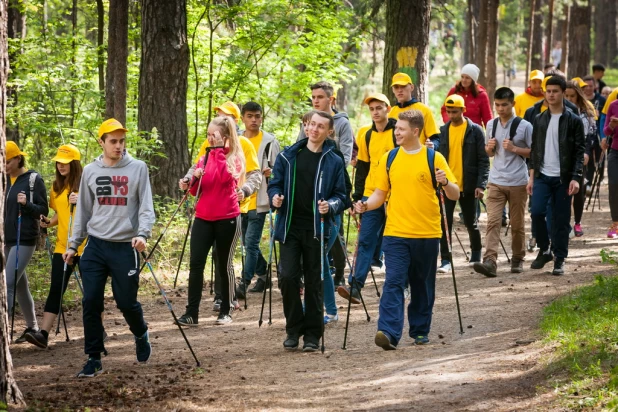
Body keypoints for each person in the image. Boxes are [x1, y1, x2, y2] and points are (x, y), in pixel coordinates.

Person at [354, 110, 459, 350]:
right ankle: (388, 332)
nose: (396, 132)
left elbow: (455, 193)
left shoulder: (434, 158)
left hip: (427, 233)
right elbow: (380, 194)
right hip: (395, 233)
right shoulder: (389, 158)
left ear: (415, 131)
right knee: (393, 282)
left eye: (401, 129)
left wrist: (445, 182)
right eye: (396, 128)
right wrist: (365, 205)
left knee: (422, 284)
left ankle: (420, 330)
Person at [64, 118, 156, 377]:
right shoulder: (91, 172)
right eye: (113, 141)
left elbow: (147, 208)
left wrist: (142, 234)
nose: (119, 146)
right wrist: (73, 245)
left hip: (125, 246)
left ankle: (141, 333)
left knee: (126, 302)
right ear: (101, 142)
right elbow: (82, 211)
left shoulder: (138, 168)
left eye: (122, 141)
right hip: (95, 245)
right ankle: (93, 357)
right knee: (91, 300)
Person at [268, 111, 347, 352]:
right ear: (305, 126)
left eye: (320, 126)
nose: (314, 129)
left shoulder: (333, 160)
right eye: (311, 124)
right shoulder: (288, 156)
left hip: (316, 228)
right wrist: (275, 197)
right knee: (288, 277)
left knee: (315, 281)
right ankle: (293, 328)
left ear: (328, 132)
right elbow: (274, 184)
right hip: (289, 227)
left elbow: (342, 196)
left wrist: (330, 205)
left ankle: (313, 334)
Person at [180, 102, 261, 311]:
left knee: (222, 257)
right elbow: (197, 166)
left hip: (234, 210)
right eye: (218, 114)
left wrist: (245, 191)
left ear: (233, 122)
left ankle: (225, 299)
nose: (220, 118)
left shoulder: (243, 145)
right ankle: (198, 308)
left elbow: (253, 174)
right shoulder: (207, 145)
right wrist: (189, 179)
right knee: (201, 261)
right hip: (206, 212)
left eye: (225, 116)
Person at [176, 117, 245, 326]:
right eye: (207, 135)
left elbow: (226, 178)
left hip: (228, 218)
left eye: (212, 135)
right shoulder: (204, 157)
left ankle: (226, 309)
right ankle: (191, 312)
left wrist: (219, 151)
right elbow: (196, 190)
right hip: (203, 218)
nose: (209, 139)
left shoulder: (234, 157)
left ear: (224, 137)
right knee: (196, 264)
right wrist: (189, 181)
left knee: (224, 265)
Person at [25, 144, 87, 348]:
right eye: (59, 162)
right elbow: (60, 214)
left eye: (65, 162)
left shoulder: (87, 183)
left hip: (87, 246)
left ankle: (98, 330)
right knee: (55, 289)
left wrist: (83, 200)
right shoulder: (56, 187)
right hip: (63, 247)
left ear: (74, 163)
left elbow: (98, 210)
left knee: (91, 291)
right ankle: (43, 334)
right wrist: (47, 223)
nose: (61, 166)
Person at [338, 93, 394, 303]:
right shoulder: (366, 135)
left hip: (395, 194)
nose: (375, 112)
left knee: (394, 241)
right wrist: (357, 197)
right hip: (371, 193)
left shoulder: (397, 132)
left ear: (387, 109)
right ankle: (355, 286)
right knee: (365, 240)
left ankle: (403, 283)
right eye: (372, 109)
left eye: (379, 108)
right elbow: (361, 168)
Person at [297, 81, 352, 292]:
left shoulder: (342, 124)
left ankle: (339, 270)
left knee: (334, 231)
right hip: (309, 184)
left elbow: (346, 156)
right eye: (313, 97)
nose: (315, 101)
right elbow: (300, 148)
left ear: (331, 100)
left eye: (319, 97)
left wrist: (328, 170)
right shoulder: (308, 121)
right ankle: (313, 273)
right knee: (311, 227)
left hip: (334, 183)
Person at [527, 77, 585, 276]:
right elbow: (535, 150)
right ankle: (545, 250)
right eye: (548, 91)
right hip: (542, 175)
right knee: (536, 212)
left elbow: (579, 151)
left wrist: (576, 178)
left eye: (555, 91)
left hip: (563, 178)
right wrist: (532, 177)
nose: (551, 94)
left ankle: (560, 258)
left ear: (562, 93)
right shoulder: (539, 119)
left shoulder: (573, 120)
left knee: (561, 219)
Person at [473, 87, 533, 277]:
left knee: (517, 224)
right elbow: (490, 152)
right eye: (497, 105)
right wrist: (489, 148)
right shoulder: (490, 124)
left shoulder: (525, 126)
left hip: (518, 181)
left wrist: (515, 148)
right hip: (496, 180)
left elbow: (534, 152)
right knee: (492, 221)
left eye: (504, 105)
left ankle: (517, 258)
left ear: (513, 104)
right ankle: (490, 261)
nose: (500, 109)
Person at [437, 95, 489, 272]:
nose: (451, 115)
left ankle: (476, 253)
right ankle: (446, 259)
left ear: (463, 110)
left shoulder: (475, 131)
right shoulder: (443, 131)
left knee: (470, 222)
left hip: (468, 184)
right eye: (449, 111)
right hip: (447, 185)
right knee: (445, 223)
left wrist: (481, 185)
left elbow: (483, 160)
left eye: (455, 111)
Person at [4, 141, 48, 345]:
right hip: (7, 238)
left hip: (25, 238)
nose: (5, 165)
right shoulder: (5, 180)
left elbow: (43, 209)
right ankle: (33, 327)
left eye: (8, 161)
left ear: (18, 158)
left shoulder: (33, 179)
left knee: (8, 284)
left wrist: (26, 204)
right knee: (20, 285)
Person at [234, 102, 280, 298]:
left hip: (260, 200)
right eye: (250, 116)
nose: (254, 120)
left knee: (251, 243)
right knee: (246, 242)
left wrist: (273, 172)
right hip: (239, 199)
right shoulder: (236, 140)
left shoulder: (270, 141)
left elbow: (280, 171)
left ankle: (243, 283)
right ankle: (263, 274)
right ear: (243, 118)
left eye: (258, 116)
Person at [565, 81, 596, 237]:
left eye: (572, 96)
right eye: (567, 96)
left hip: (580, 155)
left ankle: (577, 222)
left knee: (579, 190)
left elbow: (591, 135)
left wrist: (587, 153)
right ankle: (564, 222)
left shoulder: (586, 112)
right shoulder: (559, 111)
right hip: (563, 157)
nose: (569, 99)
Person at [388, 72, 440, 149]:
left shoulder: (424, 110)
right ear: (393, 90)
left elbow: (436, 138)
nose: (399, 90)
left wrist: (433, 145)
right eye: (396, 87)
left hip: (419, 156)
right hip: (396, 158)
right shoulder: (389, 113)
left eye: (403, 86)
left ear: (411, 87)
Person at [440, 64, 493, 128]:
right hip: (455, 129)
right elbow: (444, 109)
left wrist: (490, 134)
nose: (464, 80)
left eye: (467, 78)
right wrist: (450, 122)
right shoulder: (454, 91)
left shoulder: (481, 95)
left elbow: (487, 118)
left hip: (474, 133)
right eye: (462, 77)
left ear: (473, 80)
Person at [602, 99, 618, 238]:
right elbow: (606, 131)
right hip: (615, 152)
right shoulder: (613, 105)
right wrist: (612, 125)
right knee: (613, 186)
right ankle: (615, 223)